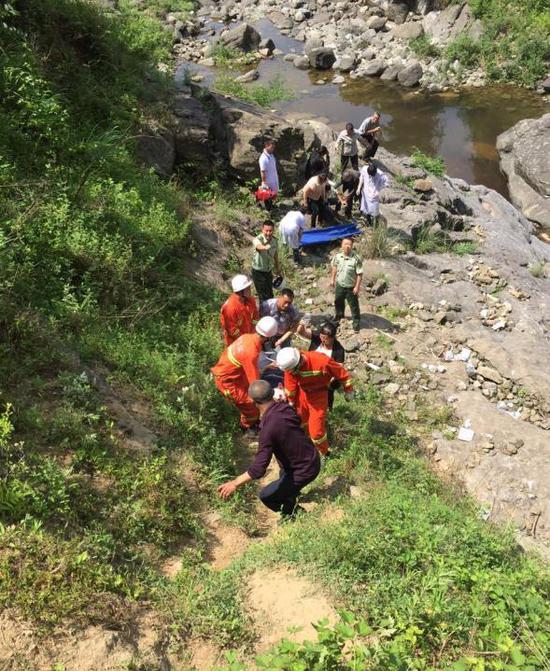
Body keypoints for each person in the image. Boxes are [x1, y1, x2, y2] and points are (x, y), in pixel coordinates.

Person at [217, 380, 320, 520]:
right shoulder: (285, 408)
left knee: (267, 496)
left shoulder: (268, 429)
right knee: (282, 478)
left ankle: (295, 515)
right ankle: (291, 495)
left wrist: (234, 483)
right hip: (311, 456)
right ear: (272, 393)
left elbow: (258, 469)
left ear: (253, 401)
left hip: (304, 470)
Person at [277, 347, 354, 455]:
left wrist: (349, 390)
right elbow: (290, 385)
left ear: (298, 364)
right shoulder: (290, 365)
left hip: (318, 395)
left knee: (316, 431)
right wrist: (291, 402)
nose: (291, 373)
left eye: (292, 371)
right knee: (300, 420)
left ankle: (325, 452)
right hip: (302, 393)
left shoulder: (322, 361)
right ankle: (304, 443)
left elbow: (342, 374)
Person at [211, 316, 278, 433]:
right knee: (250, 405)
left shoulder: (247, 337)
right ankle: (247, 427)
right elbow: (256, 385)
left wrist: (266, 367)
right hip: (228, 383)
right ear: (269, 337)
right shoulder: (250, 352)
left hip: (235, 375)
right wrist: (272, 396)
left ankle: (251, 421)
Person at [304, 321, 345, 410]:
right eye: (321, 337)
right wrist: (300, 324)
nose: (322, 340)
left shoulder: (338, 350)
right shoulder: (317, 339)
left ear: (332, 338)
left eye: (325, 338)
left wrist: (327, 382)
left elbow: (338, 369)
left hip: (326, 379)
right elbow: (302, 332)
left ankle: (328, 409)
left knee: (326, 396)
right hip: (309, 374)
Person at [330, 237, 363, 333]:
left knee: (354, 306)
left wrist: (357, 286)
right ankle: (339, 316)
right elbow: (334, 268)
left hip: (351, 287)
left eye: (349, 244)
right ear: (341, 245)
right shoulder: (337, 257)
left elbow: (359, 274)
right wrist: (332, 280)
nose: (347, 246)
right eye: (345, 244)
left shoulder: (356, 258)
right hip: (340, 284)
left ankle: (356, 323)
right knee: (338, 301)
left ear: (352, 246)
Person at [220, 274, 259, 346]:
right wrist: (246, 341)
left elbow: (255, 317)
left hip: (250, 336)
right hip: (236, 343)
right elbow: (233, 331)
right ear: (240, 291)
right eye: (248, 288)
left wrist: (254, 333)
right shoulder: (230, 308)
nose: (250, 290)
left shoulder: (251, 300)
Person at [252, 220, 282, 303]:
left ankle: (270, 313)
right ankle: (263, 314)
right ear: (262, 230)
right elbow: (258, 246)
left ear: (273, 230)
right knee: (263, 296)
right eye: (266, 231)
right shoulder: (258, 239)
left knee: (270, 294)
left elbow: (275, 255)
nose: (268, 233)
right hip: (258, 272)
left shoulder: (275, 241)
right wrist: (265, 247)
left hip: (268, 271)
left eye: (270, 231)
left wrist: (277, 268)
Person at [259, 139, 279, 211]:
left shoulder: (271, 156)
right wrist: (264, 182)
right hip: (268, 181)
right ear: (266, 146)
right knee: (267, 197)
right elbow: (263, 171)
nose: (273, 149)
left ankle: (271, 208)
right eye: (271, 147)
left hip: (274, 179)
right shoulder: (263, 158)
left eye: (273, 147)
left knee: (273, 196)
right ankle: (268, 211)